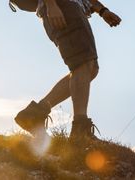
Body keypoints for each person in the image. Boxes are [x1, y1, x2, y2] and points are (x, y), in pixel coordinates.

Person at [13, 0, 121, 141]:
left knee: (90, 68)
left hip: (72, 8)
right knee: (84, 64)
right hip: (63, 6)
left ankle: (35, 113)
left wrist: (102, 11)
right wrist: (52, 5)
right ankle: (80, 130)